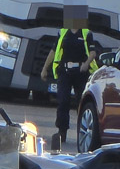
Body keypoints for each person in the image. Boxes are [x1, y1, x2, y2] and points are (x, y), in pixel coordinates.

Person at [40, 15, 97, 151]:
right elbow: (54, 51)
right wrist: (44, 68)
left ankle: (82, 131)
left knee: (80, 102)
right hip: (64, 71)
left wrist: (86, 64)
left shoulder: (86, 33)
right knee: (63, 100)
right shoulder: (63, 32)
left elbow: (93, 52)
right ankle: (62, 131)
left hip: (80, 73)